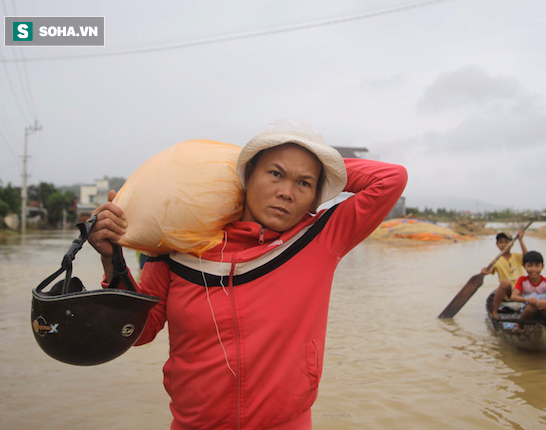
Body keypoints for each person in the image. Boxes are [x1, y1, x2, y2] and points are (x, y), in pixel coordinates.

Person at [87, 119, 408, 430]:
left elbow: (391, 179)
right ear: (248, 174)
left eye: (304, 184)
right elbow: (139, 332)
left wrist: (321, 166)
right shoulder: (180, 244)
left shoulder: (320, 239)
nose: (286, 192)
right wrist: (111, 260)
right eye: (275, 173)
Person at [481, 230, 528, 318]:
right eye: (501, 242)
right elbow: (490, 269)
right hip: (509, 291)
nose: (504, 244)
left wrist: (521, 241)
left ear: (512, 243)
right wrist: (484, 271)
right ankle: (494, 311)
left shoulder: (517, 256)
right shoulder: (496, 260)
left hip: (521, 291)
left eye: (507, 242)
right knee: (505, 283)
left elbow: (528, 259)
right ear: (497, 245)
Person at [510, 250, 546, 324]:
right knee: (531, 307)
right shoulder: (522, 280)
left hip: (545, 312)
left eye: (537, 266)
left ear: (542, 267)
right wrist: (528, 300)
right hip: (529, 311)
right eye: (529, 265)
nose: (533, 269)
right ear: (524, 266)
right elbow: (513, 297)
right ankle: (519, 325)